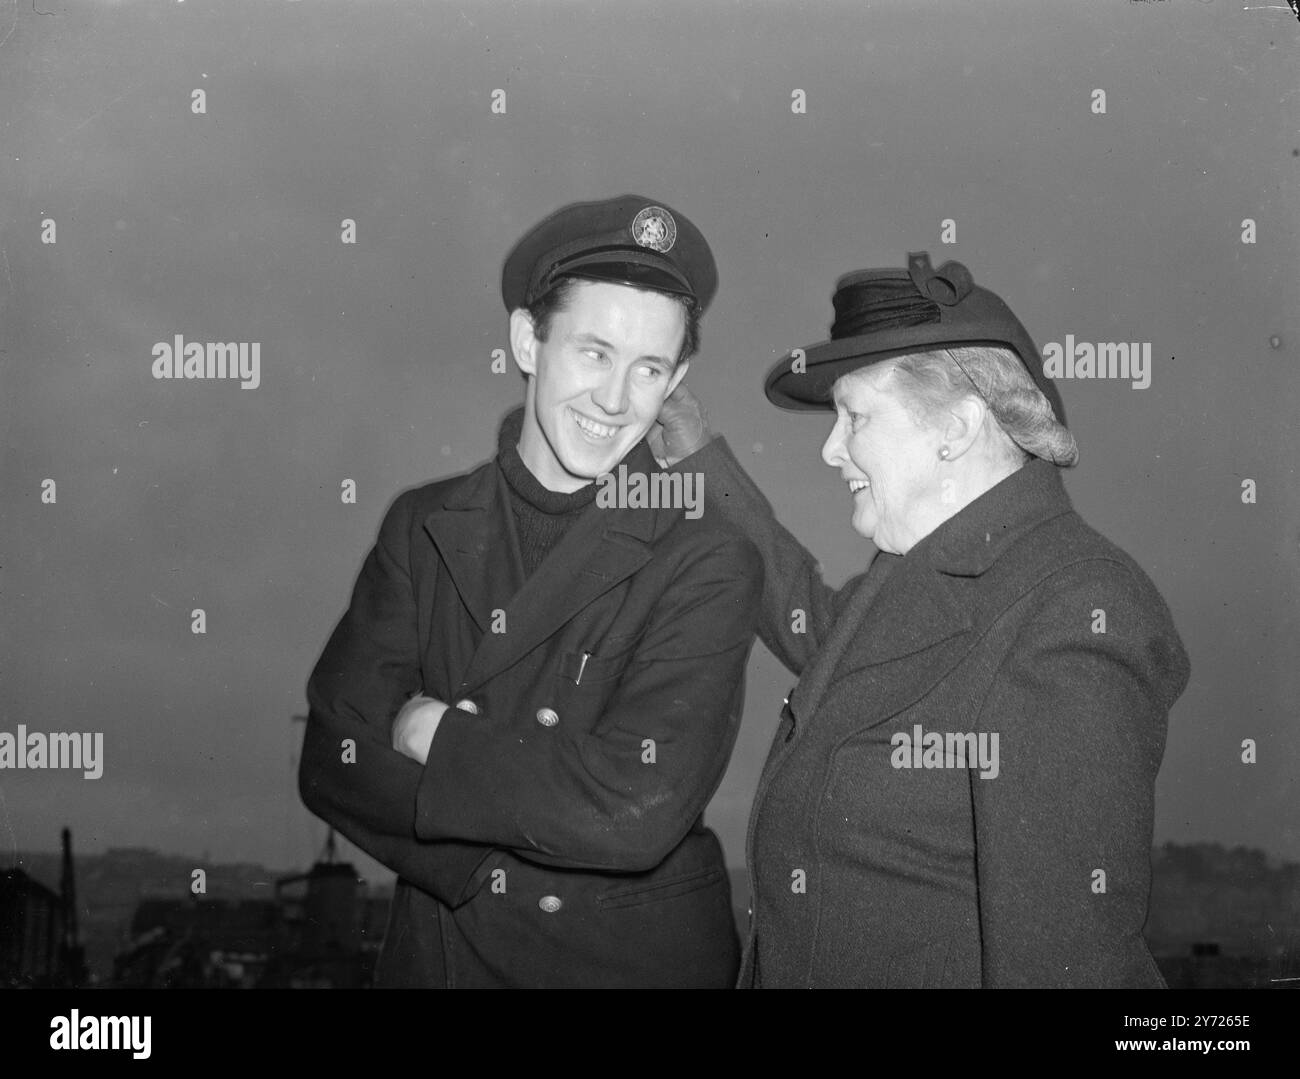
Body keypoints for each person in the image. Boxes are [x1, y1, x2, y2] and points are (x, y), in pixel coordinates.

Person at [654, 252, 1190, 988]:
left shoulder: (1074, 614)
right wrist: (693, 454)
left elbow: (1067, 964)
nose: (830, 446)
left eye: (855, 415)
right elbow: (808, 617)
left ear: (957, 428)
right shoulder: (920, 577)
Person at [299, 194, 762, 988]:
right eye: (593, 352)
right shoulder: (425, 523)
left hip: (620, 966)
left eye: (649, 368)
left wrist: (432, 733)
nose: (615, 400)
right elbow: (333, 757)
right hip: (440, 952)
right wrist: (487, 862)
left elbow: (635, 808)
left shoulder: (709, 552)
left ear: (677, 376)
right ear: (526, 339)